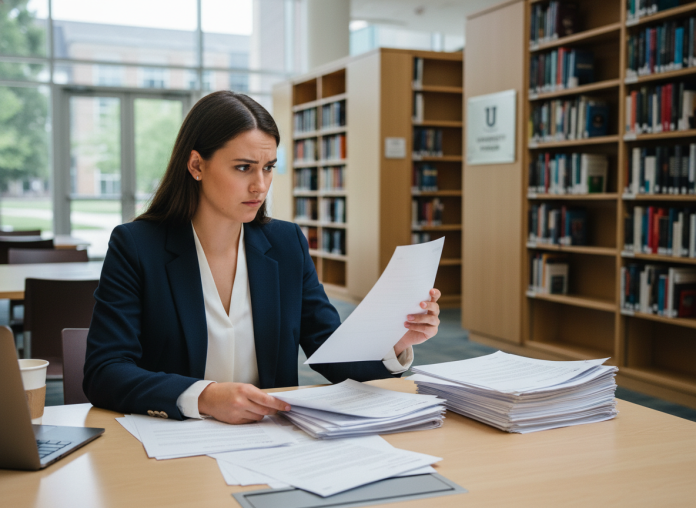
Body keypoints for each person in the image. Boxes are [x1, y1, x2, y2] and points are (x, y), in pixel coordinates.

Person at [83, 91, 441, 424]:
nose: (260, 185)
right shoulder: (136, 246)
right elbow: (105, 371)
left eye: (268, 167)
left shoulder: (286, 243)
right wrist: (203, 396)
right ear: (196, 165)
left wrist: (395, 342)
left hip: (272, 439)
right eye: (243, 168)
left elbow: (331, 351)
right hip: (172, 441)